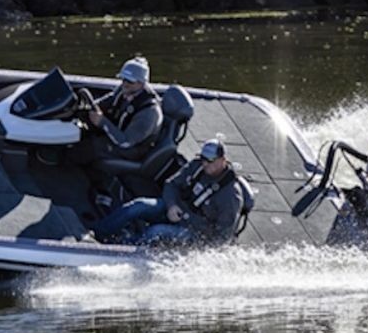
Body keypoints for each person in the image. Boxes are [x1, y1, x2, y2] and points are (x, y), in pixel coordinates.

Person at [91, 137, 247, 246]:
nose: (205, 164)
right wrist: (172, 205)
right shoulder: (197, 166)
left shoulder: (230, 196)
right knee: (138, 206)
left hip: (194, 232)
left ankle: (120, 248)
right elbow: (171, 184)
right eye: (203, 159)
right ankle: (98, 233)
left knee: (155, 232)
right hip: (176, 210)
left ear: (222, 160)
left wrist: (193, 232)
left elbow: (221, 237)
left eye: (210, 161)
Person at [67, 55, 163, 165]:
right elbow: (108, 101)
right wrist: (88, 109)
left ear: (141, 83)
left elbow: (125, 142)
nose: (125, 83)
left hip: (131, 149)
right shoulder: (124, 90)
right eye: (123, 79)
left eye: (130, 81)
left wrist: (102, 122)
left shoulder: (149, 113)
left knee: (85, 150)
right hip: (117, 133)